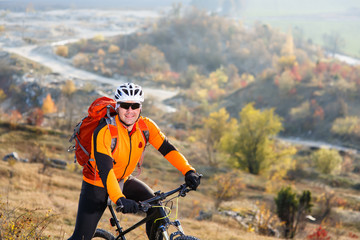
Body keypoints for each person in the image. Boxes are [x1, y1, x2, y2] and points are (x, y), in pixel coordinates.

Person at [68, 83, 201, 240]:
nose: (130, 111)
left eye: (135, 105)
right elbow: (106, 170)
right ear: (117, 107)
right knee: (81, 238)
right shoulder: (105, 132)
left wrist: (188, 171)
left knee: (157, 209)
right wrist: (119, 199)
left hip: (124, 180)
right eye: (125, 105)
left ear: (140, 107)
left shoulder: (146, 126)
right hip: (97, 184)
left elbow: (168, 150)